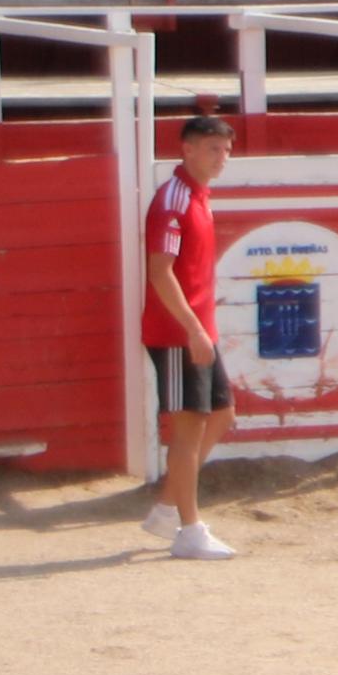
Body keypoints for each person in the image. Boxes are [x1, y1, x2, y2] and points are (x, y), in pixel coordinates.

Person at [137, 110, 239, 561]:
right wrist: (194, 329)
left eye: (227, 150)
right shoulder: (174, 199)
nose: (222, 157)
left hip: (197, 329)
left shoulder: (195, 195)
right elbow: (160, 273)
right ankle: (190, 528)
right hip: (179, 332)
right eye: (214, 149)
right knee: (189, 427)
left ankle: (166, 506)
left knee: (220, 415)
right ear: (188, 149)